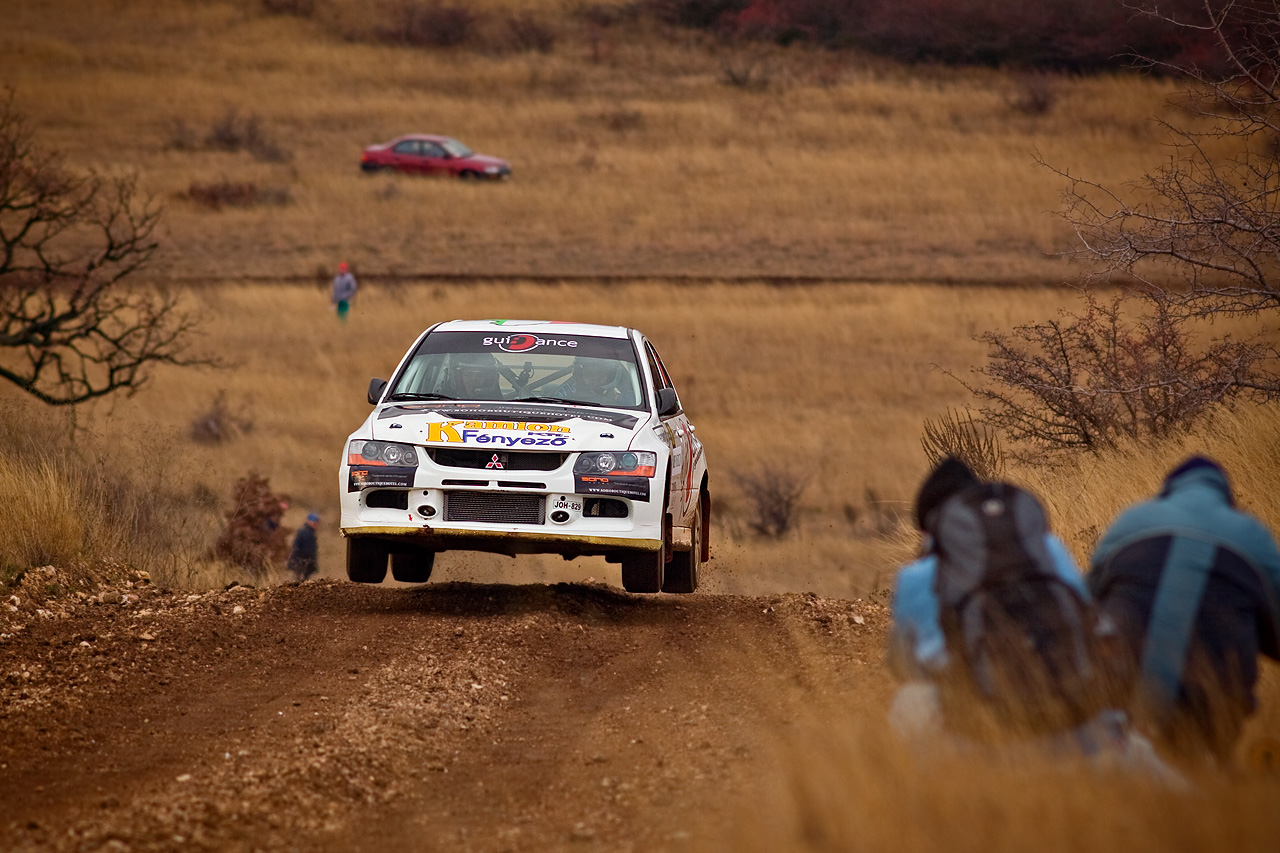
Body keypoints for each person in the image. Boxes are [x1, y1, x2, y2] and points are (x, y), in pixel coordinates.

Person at [888, 458, 1177, 780]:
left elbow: (904, 664)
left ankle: (941, 803)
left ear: (930, 528)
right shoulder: (1048, 548)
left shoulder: (918, 575)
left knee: (909, 700)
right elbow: (1093, 627)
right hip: (1083, 731)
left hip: (989, 749)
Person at [1088, 456, 1280, 760]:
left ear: (1168, 490)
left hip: (1120, 694)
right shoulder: (1253, 536)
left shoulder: (1131, 520)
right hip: (1214, 704)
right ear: (1226, 497)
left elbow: (1088, 610)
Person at [553, 357, 628, 406]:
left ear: (608, 376)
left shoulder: (620, 397)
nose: (595, 378)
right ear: (580, 375)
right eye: (589, 373)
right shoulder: (566, 392)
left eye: (600, 373)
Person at [287, 512, 320, 582]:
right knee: (301, 580)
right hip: (301, 562)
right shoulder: (304, 532)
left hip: (305, 563)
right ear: (308, 521)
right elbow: (296, 547)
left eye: (316, 522)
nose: (316, 524)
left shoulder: (310, 533)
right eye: (314, 521)